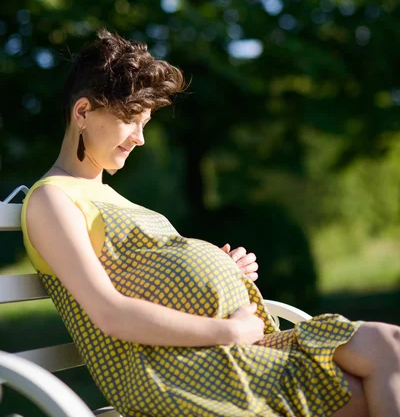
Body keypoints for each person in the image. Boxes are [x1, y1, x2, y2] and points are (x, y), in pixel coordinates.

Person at [21, 28, 400, 417]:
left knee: (388, 343)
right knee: (351, 392)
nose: (140, 138)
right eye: (131, 120)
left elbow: (139, 275)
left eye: (145, 123)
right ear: (83, 112)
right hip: (175, 370)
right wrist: (229, 331)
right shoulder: (54, 199)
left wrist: (221, 268)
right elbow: (109, 312)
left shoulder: (110, 196)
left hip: (225, 349)